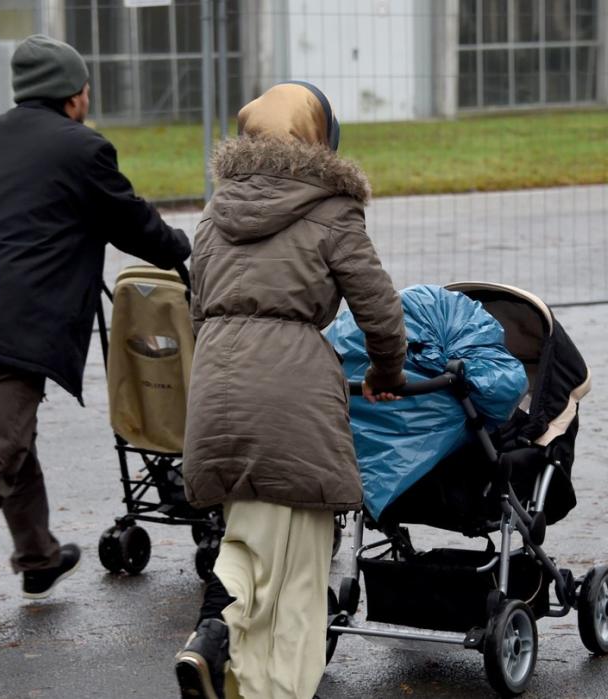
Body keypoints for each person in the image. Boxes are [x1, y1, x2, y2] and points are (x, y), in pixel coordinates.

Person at [0, 34, 191, 634]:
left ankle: (39, 558)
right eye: (86, 87)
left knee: (10, 441)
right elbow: (130, 221)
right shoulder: (81, 147)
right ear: (73, 93)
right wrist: (180, 249)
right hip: (15, 325)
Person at [173, 82, 407, 699]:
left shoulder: (214, 211)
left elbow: (197, 301)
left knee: (246, 535)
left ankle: (219, 636)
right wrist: (387, 372)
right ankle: (255, 666)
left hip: (216, 384)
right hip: (292, 393)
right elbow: (380, 311)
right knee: (300, 572)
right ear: (319, 139)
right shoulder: (331, 209)